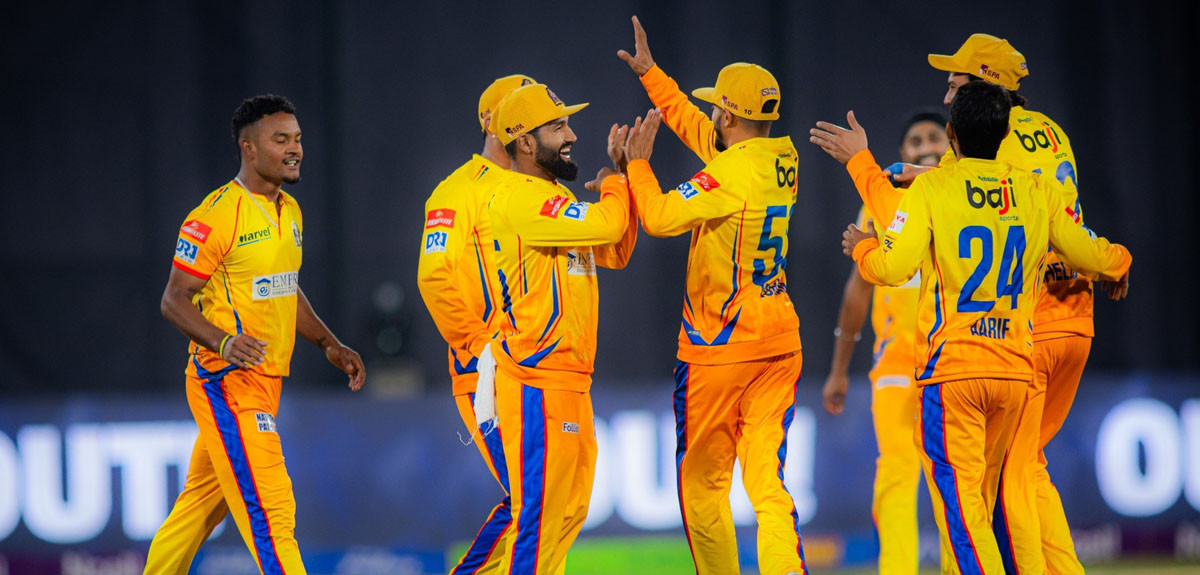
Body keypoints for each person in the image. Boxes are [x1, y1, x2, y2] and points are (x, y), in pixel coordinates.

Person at [810, 33, 1128, 575]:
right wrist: (1117, 261)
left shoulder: (939, 186)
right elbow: (1067, 231)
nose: (947, 93)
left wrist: (865, 207)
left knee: (977, 500)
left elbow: (891, 264)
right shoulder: (1046, 146)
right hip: (1048, 328)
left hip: (967, 355)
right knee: (1017, 476)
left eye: (956, 84)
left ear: (978, 103)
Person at [617, 16, 808, 575]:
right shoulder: (782, 158)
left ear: (728, 115)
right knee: (768, 482)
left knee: (703, 488)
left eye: (716, 109)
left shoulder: (726, 175)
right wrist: (653, 76)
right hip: (779, 343)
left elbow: (657, 217)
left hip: (718, 352)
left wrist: (637, 165)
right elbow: (705, 135)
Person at [146, 94, 365, 575]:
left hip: (265, 382)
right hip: (226, 382)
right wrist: (223, 342)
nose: (295, 149)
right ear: (249, 148)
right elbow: (173, 299)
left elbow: (284, 287)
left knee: (197, 509)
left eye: (298, 138)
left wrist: (327, 342)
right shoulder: (216, 215)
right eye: (281, 139)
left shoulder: (291, 210)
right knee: (272, 511)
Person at [486, 82, 637, 574]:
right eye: (557, 127)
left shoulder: (555, 196)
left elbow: (615, 249)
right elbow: (609, 225)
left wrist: (623, 176)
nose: (571, 135)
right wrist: (615, 183)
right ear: (526, 142)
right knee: (539, 521)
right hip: (537, 381)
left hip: (571, 381)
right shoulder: (520, 197)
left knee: (568, 513)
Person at [416, 74, 535, 575]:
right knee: (530, 500)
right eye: (516, 110)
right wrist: (482, 348)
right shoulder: (457, 191)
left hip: (540, 371)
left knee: (545, 502)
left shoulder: (536, 187)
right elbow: (433, 275)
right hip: (488, 371)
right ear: (490, 121)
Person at [821, 110, 948, 575]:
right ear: (902, 154)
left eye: (934, 137)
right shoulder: (878, 203)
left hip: (951, 359)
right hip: (896, 362)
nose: (925, 146)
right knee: (896, 473)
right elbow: (858, 292)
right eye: (915, 141)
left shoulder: (959, 195)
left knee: (953, 479)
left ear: (952, 144)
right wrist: (839, 369)